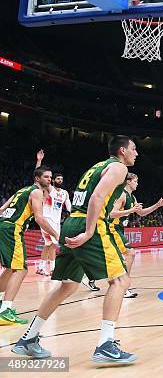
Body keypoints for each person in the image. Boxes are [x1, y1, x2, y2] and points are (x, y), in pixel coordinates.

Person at [13, 135, 138, 363]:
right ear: (122, 150)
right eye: (134, 149)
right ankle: (106, 344)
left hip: (71, 221)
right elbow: (97, 198)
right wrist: (90, 231)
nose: (136, 153)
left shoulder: (98, 166)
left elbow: (92, 197)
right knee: (120, 281)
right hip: (89, 224)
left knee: (67, 286)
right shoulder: (118, 167)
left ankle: (29, 338)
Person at [0, 166, 60, 324]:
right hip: (12, 229)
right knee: (21, 269)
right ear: (37, 178)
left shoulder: (23, 190)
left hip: (5, 226)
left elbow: (2, 209)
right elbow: (39, 218)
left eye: (50, 177)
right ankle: (5, 310)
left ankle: (1, 302)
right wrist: (55, 234)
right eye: (46, 177)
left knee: (10, 268)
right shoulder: (37, 192)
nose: (49, 179)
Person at [109, 173, 163, 298]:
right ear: (128, 182)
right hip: (111, 228)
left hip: (119, 228)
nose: (137, 183)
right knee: (130, 253)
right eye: (135, 181)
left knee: (113, 258)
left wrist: (157, 205)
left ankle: (89, 277)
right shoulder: (121, 194)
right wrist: (131, 210)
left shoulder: (132, 197)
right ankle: (123, 287)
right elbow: (112, 213)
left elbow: (141, 213)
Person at [35, 150, 71, 277]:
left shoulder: (65, 193)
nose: (60, 180)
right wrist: (39, 161)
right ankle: (53, 268)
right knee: (54, 244)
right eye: (57, 178)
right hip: (46, 219)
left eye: (61, 179)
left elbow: (69, 207)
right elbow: (38, 177)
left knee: (48, 244)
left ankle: (41, 267)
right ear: (53, 180)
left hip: (56, 221)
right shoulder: (49, 190)